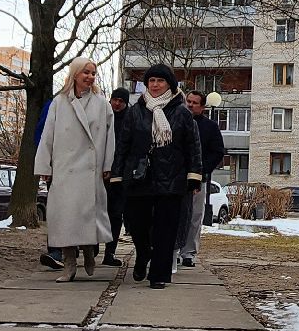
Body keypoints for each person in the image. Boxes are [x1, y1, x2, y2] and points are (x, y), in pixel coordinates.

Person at [111, 63, 202, 288]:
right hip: (139, 176)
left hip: (171, 177)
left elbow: (193, 145)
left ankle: (160, 274)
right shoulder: (135, 110)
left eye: (160, 81)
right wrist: (117, 174)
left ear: (169, 84)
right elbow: (123, 144)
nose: (155, 85)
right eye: (151, 81)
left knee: (165, 227)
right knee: (137, 223)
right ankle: (143, 253)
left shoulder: (181, 112)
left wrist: (194, 175)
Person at [36, 58, 115, 280]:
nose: (90, 77)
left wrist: (107, 164)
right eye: (86, 73)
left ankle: (89, 250)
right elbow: (47, 135)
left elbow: (110, 138)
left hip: (91, 168)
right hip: (65, 168)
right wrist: (45, 165)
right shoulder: (59, 102)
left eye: (93, 73)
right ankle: (69, 263)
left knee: (87, 214)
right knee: (65, 217)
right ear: (75, 74)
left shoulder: (102, 104)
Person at [174, 89, 226, 267]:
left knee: (194, 216)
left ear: (202, 107)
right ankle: (172, 250)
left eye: (195, 103)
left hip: (198, 179)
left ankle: (188, 253)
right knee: (175, 215)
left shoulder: (210, 127)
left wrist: (203, 170)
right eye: (188, 101)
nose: (190, 105)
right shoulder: (175, 121)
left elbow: (218, 151)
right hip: (175, 177)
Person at [34, 93, 64, 271]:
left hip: (82, 168)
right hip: (58, 166)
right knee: (56, 208)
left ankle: (73, 246)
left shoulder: (93, 103)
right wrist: (46, 164)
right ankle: (56, 250)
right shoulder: (54, 104)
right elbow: (42, 134)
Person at [101, 87, 131, 266]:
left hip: (120, 176)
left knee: (115, 214)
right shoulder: (104, 117)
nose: (117, 104)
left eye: (121, 101)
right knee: (98, 211)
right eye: (115, 100)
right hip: (101, 172)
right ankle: (93, 246)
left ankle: (109, 252)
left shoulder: (129, 119)